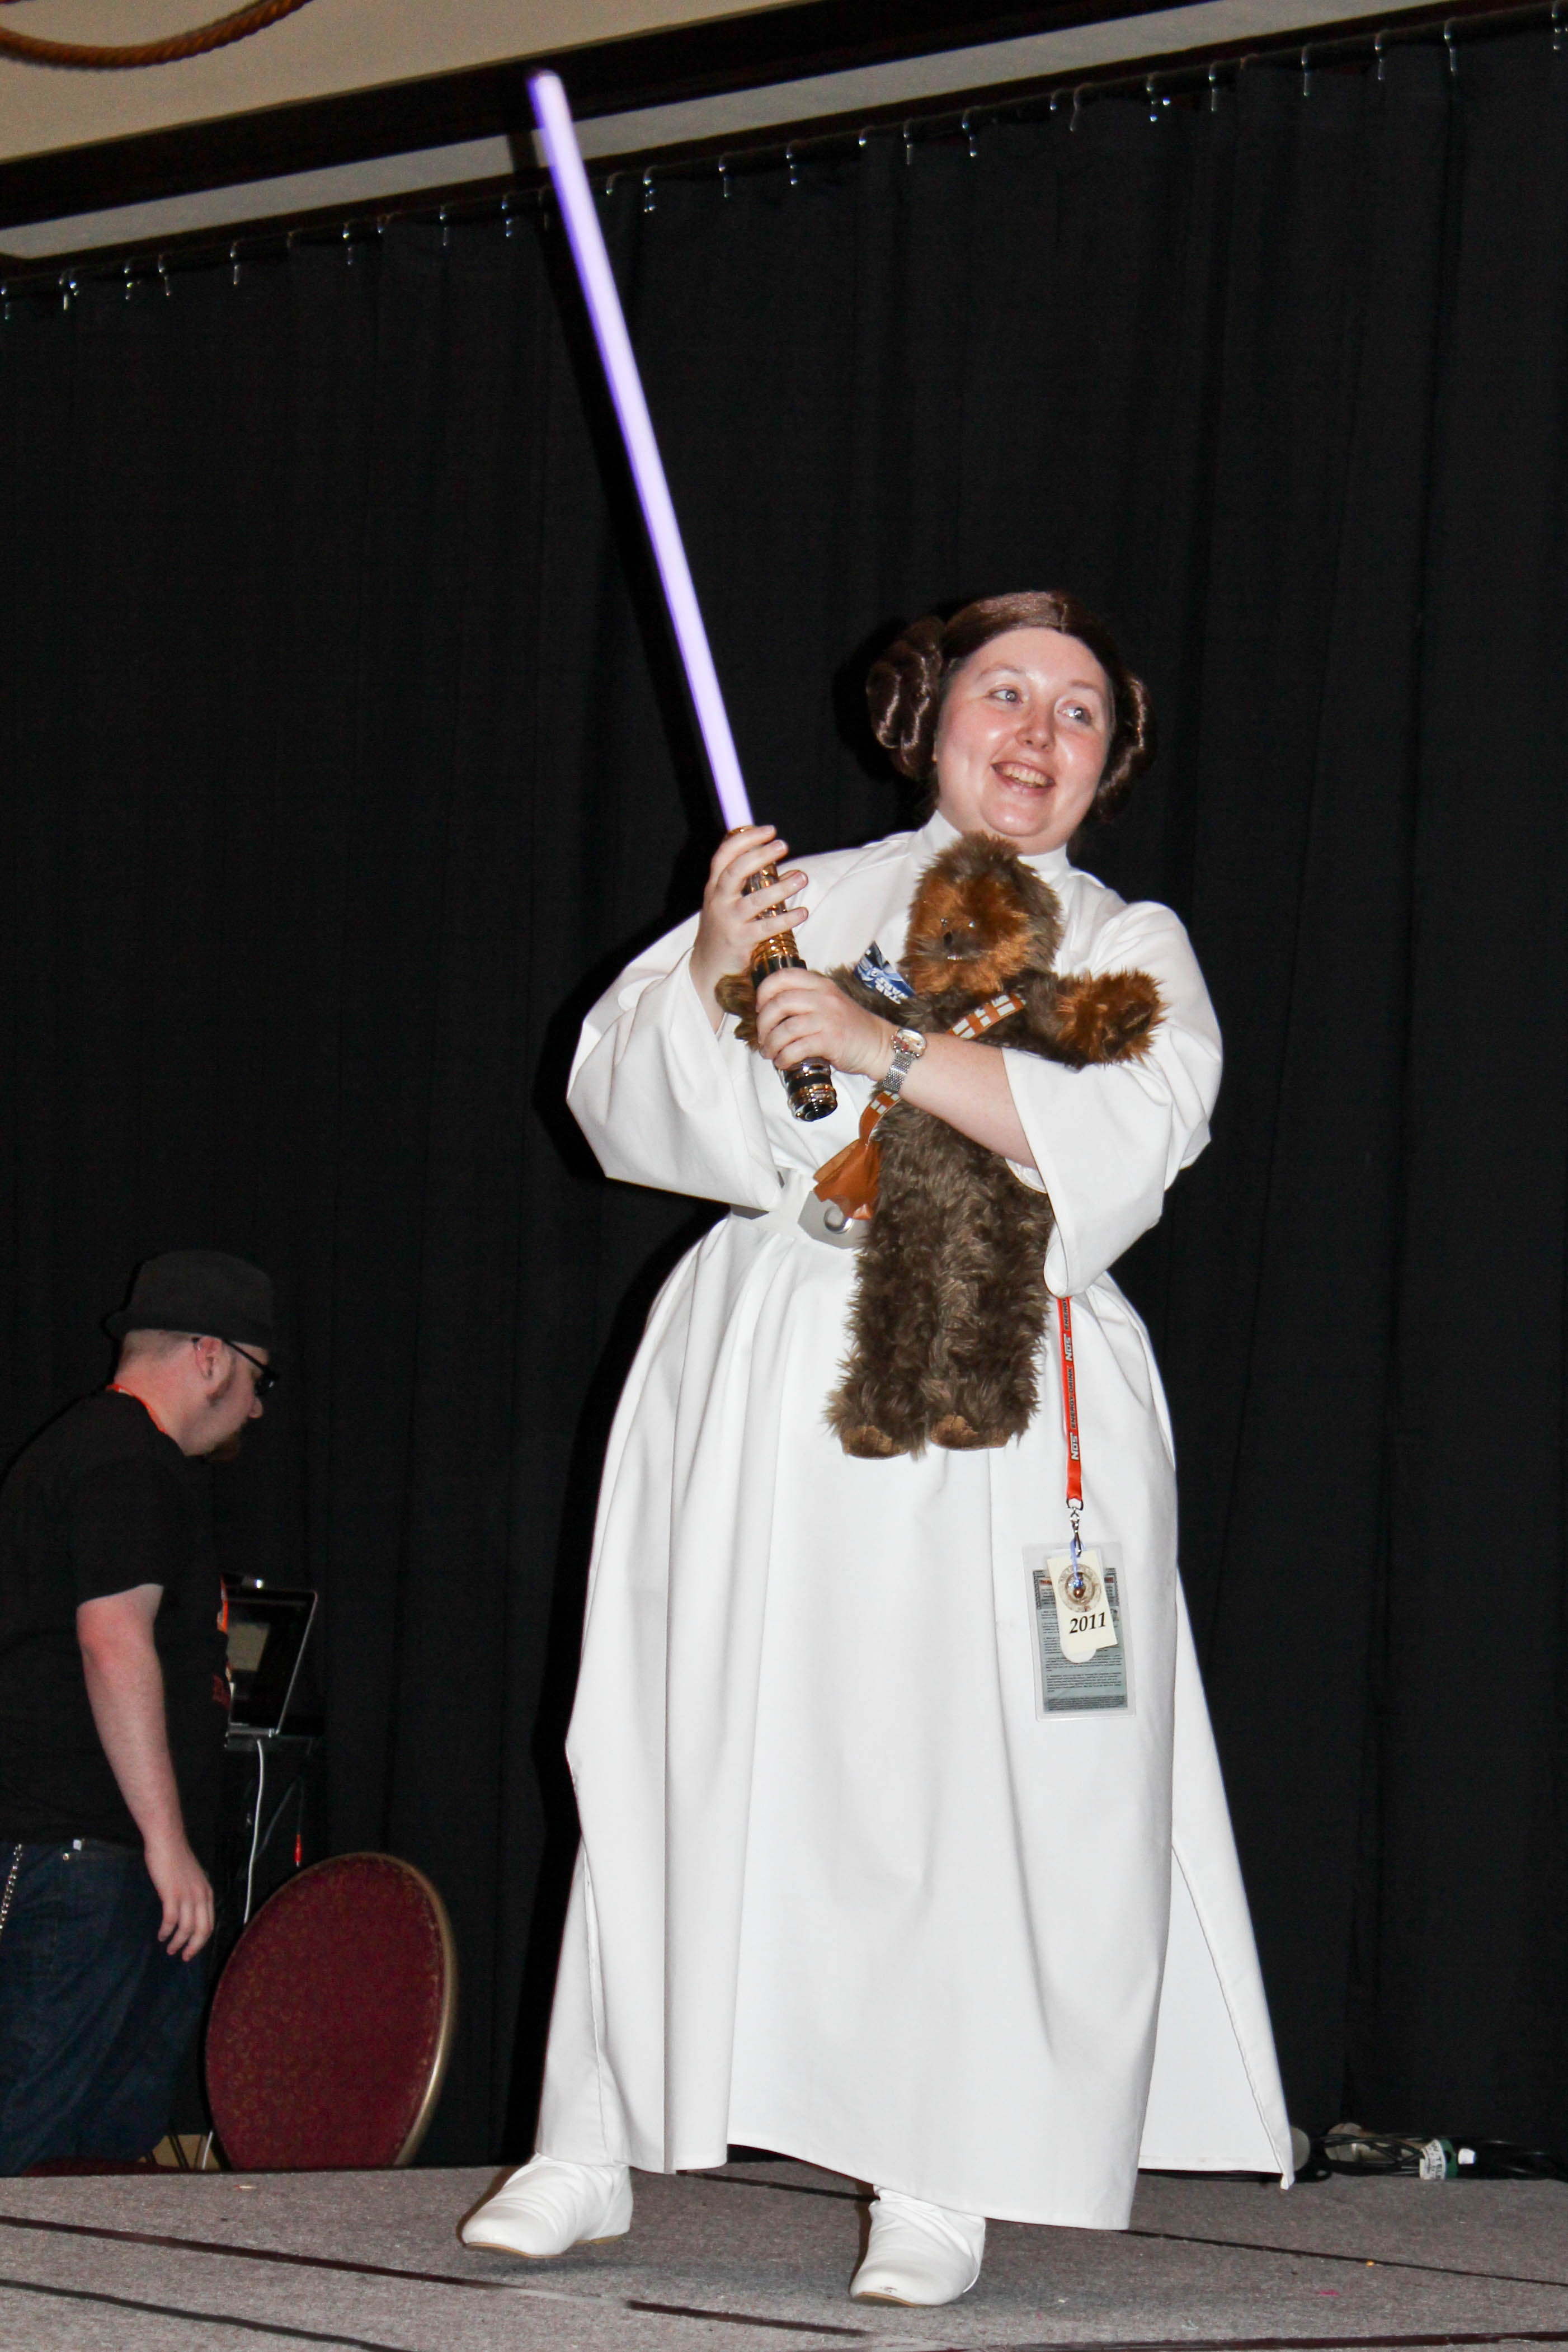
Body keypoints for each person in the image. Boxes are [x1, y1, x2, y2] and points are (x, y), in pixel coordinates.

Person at [463, 592, 1292, 2304]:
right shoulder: (807, 898)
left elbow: (1121, 1141)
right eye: (1004, 691)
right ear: (928, 720)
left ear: (1109, 760)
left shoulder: (1129, 942)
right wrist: (717, 965)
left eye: (1077, 710)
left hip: (1000, 1378)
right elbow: (631, 1108)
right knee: (681, 1724)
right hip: (774, 1355)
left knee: (967, 1762)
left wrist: (881, 1047)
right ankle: (589, 2136)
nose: (1036, 732)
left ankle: (937, 2170)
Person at [0, 1249, 276, 2174]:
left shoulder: (106, 1452)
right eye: (259, 1378)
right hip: (87, 1861)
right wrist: (166, 1842)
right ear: (211, 1356)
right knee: (34, 2152)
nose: (258, 1408)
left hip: (103, 1863)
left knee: (99, 2164)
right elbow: (112, 1643)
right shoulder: (127, 1459)